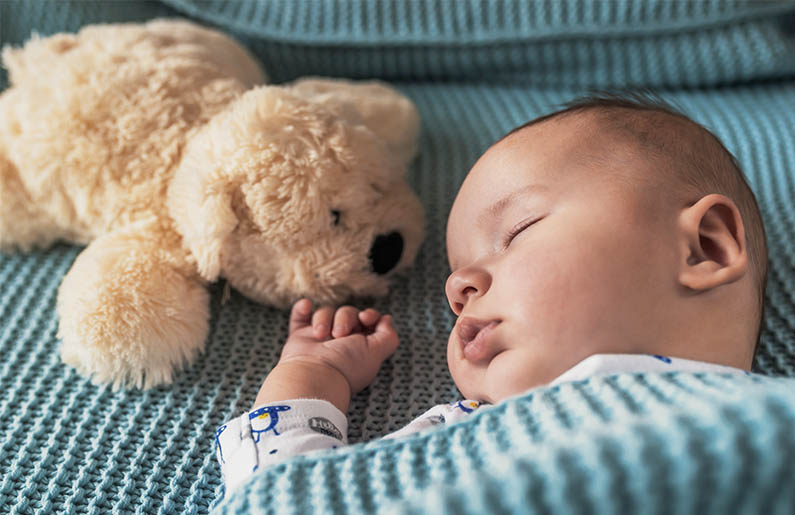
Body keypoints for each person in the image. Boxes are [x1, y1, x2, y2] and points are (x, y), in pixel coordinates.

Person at [214, 93, 767, 492]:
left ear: (705, 248)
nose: (457, 289)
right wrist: (314, 376)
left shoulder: (768, 425)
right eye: (458, 277)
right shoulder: (457, 441)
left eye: (517, 232)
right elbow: (284, 498)